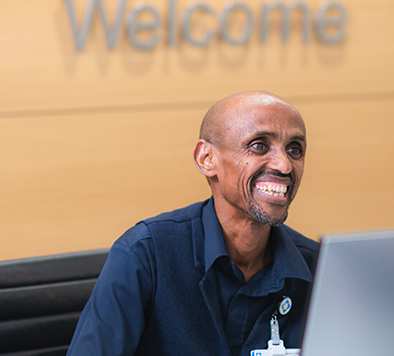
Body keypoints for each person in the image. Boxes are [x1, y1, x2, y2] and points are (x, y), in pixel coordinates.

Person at [66, 91, 319, 356]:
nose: (284, 165)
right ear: (206, 159)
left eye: (295, 150)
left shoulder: (318, 269)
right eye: (259, 146)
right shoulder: (145, 254)